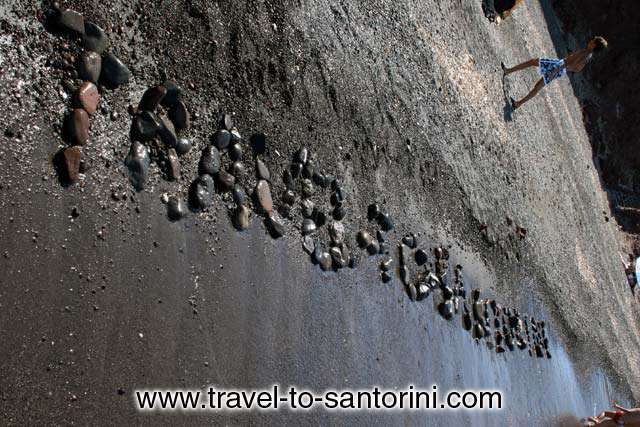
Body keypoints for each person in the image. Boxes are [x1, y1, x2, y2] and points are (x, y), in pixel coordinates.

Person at [502, 37, 608, 110]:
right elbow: (576, 69)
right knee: (535, 68)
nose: (590, 41)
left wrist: (561, 68)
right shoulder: (588, 54)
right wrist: (564, 67)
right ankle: (517, 100)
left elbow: (576, 67)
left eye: (592, 41)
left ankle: (517, 99)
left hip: (559, 67)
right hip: (560, 65)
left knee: (537, 79)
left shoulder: (586, 54)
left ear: (594, 45)